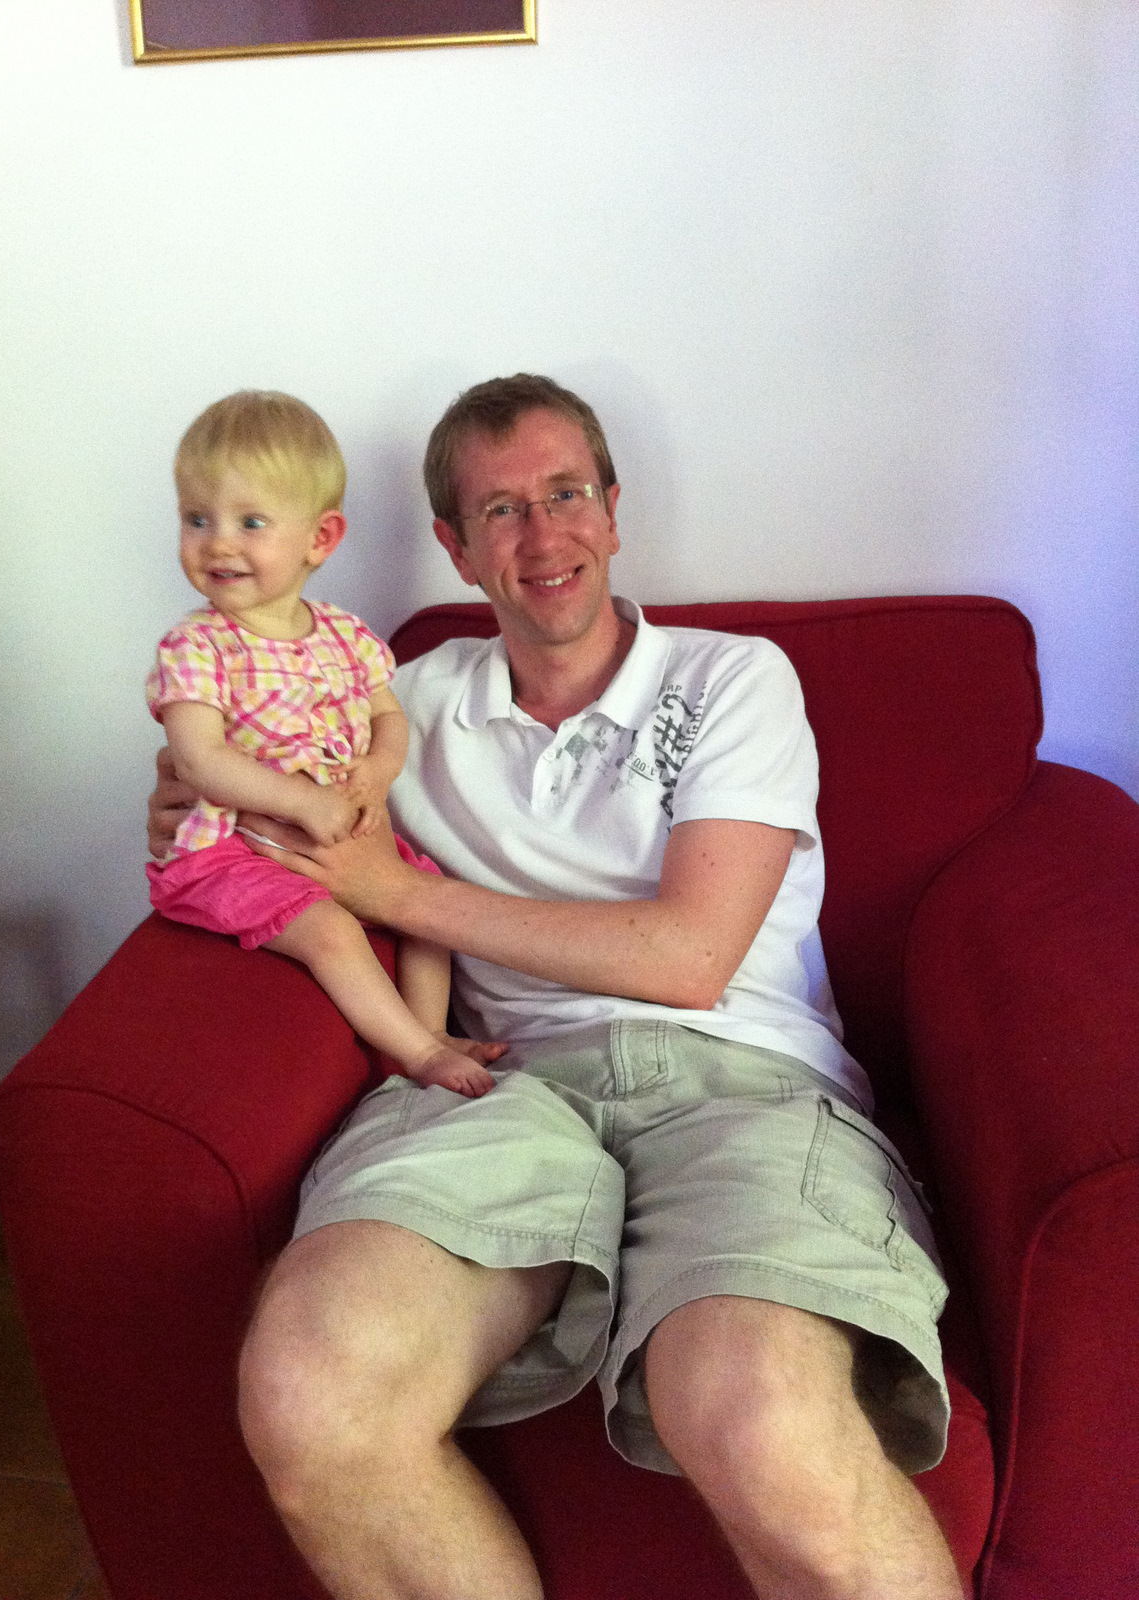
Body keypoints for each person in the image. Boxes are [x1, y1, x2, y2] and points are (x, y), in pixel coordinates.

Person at [151, 374, 963, 1599]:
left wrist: (397, 893)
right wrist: (185, 801)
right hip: (501, 1089)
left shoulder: (732, 678)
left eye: (566, 493)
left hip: (744, 1085)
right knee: (313, 1392)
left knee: (757, 1410)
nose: (542, 535)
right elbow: (237, 799)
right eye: (499, 510)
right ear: (453, 546)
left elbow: (688, 959)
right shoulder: (394, 702)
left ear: (612, 509)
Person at [146, 390, 500, 1096]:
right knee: (329, 932)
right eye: (197, 518)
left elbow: (389, 718)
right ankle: (417, 1056)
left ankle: (429, 1031)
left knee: (433, 908)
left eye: (250, 522)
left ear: (321, 537)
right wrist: (302, 804)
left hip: (333, 837)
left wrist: (376, 773)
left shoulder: (344, 635)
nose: (218, 542)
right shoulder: (197, 646)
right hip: (229, 855)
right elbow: (199, 759)